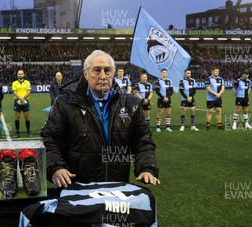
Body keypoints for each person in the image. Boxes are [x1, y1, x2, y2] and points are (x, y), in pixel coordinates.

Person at [41, 49, 159, 187]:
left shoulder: (130, 104)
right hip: (77, 189)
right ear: (85, 73)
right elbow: (50, 140)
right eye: (97, 70)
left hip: (117, 189)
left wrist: (146, 168)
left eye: (107, 71)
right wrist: (56, 167)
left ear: (113, 74)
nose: (103, 76)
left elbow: (143, 140)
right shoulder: (65, 103)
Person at [12, 69, 32, 137]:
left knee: (26, 117)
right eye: (19, 74)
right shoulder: (14, 83)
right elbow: (14, 92)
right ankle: (17, 132)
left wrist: (23, 98)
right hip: (17, 101)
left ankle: (28, 132)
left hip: (25, 101)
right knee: (17, 117)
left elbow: (28, 92)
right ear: (17, 75)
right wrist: (20, 99)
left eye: (21, 74)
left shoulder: (27, 82)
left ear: (24, 75)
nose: (20, 75)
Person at [154, 68, 173, 133]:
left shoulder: (169, 81)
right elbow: (157, 91)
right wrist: (163, 98)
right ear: (161, 73)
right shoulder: (158, 81)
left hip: (168, 99)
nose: (164, 73)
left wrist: (167, 97)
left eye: (165, 72)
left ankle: (168, 127)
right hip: (160, 99)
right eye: (163, 72)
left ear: (167, 74)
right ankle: (158, 127)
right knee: (159, 113)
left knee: (168, 113)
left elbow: (171, 91)